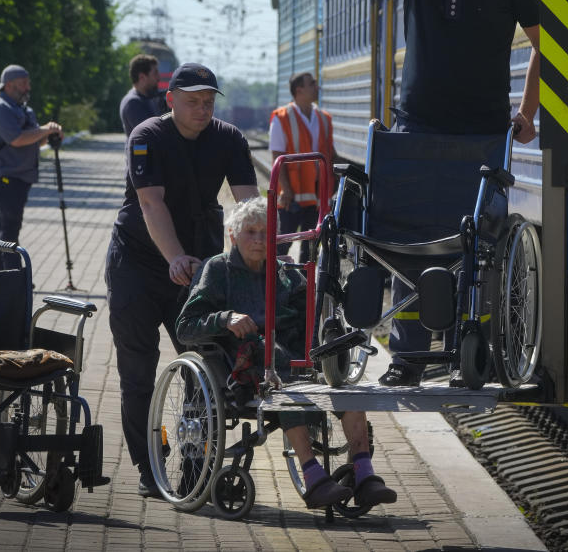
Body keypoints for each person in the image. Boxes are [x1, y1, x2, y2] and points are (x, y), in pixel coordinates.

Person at [364, 0, 541, 387]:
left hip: (483, 131)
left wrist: (526, 113)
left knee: (476, 248)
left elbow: (546, 45)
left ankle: (473, 353)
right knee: (408, 239)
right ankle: (407, 359)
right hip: (417, 124)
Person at [178, 197, 397, 509]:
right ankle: (314, 477)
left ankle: (364, 474)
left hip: (293, 361)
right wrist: (225, 318)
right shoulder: (217, 270)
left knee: (343, 381)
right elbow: (185, 327)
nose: (257, 239)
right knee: (281, 377)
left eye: (264, 233)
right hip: (243, 363)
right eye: (250, 232)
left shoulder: (286, 274)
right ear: (233, 236)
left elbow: (311, 325)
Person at [104, 62, 259, 498]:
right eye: (193, 101)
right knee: (138, 370)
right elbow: (151, 205)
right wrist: (174, 258)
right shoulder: (147, 137)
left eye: (209, 102)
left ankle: (196, 468)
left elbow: (250, 204)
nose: (202, 109)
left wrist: (258, 254)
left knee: (204, 366)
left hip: (197, 265)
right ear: (170, 100)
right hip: (137, 262)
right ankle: (150, 463)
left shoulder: (229, 139)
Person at [0, 65, 63, 271]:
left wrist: (49, 135)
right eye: (24, 83)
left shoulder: (23, 109)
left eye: (28, 82)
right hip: (4, 178)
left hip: (19, 178)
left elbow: (34, 142)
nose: (28, 87)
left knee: (2, 225)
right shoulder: (0, 108)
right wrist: (45, 129)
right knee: (10, 228)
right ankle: (12, 276)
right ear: (9, 85)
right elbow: (17, 139)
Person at [268, 72, 337, 263]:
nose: (317, 86)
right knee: (282, 245)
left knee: (311, 249)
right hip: (292, 197)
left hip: (317, 197)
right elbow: (277, 156)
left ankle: (305, 289)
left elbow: (330, 153)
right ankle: (277, 287)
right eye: (312, 83)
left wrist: (335, 182)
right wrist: (286, 189)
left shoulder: (324, 118)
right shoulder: (282, 117)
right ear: (299, 90)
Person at [119, 53, 166, 137]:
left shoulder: (147, 98)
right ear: (142, 77)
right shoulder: (133, 103)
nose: (159, 78)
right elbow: (147, 136)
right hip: (141, 150)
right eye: (155, 73)